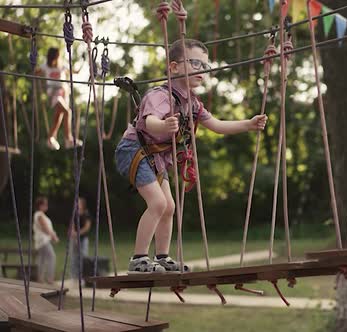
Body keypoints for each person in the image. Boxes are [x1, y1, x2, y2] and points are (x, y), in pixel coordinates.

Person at [115, 39, 267, 273]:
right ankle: (138, 258)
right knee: (157, 203)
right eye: (195, 63)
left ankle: (163, 256)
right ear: (174, 67)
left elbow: (216, 125)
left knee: (169, 207)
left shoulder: (193, 104)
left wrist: (248, 124)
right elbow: (149, 122)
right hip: (134, 150)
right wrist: (164, 125)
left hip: (155, 156)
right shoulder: (159, 95)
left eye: (205, 65)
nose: (201, 69)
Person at [36, 47, 82, 151]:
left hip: (64, 93)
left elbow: (74, 72)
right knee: (67, 112)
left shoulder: (62, 65)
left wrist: (82, 63)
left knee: (58, 117)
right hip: (53, 93)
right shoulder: (45, 66)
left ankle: (50, 138)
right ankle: (68, 139)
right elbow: (35, 72)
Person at [33, 196, 59, 284]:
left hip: (43, 241)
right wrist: (53, 236)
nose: (46, 206)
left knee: (42, 259)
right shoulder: (39, 215)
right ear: (40, 205)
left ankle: (40, 279)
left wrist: (52, 234)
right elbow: (45, 228)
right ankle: (49, 278)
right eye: (45, 204)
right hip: (43, 241)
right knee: (52, 257)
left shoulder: (40, 215)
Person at [69, 197, 92, 279]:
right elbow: (72, 225)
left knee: (83, 257)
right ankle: (73, 276)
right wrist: (73, 234)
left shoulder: (86, 214)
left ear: (82, 204)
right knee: (74, 257)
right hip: (75, 238)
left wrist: (78, 233)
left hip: (83, 238)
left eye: (78, 203)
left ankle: (83, 276)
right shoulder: (75, 214)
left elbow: (87, 227)